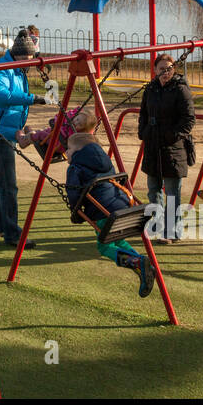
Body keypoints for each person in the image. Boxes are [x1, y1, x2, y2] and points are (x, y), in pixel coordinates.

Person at [64, 108, 154, 296]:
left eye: (69, 149)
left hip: (104, 212)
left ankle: (137, 262)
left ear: (78, 150)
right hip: (123, 206)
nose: (66, 152)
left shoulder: (76, 166)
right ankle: (142, 265)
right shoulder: (105, 160)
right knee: (117, 241)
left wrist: (75, 212)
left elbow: (73, 193)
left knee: (104, 246)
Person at [0, 30, 47, 248]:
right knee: (9, 184)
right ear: (16, 55)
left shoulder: (18, 71)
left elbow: (15, 104)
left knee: (1, 178)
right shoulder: (1, 70)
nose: (29, 63)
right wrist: (33, 98)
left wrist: (20, 128)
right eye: (26, 59)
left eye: (31, 59)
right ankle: (13, 234)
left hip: (5, 129)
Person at [138, 53, 196, 243]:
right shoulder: (151, 89)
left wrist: (171, 136)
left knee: (172, 192)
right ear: (155, 70)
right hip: (153, 145)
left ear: (174, 69)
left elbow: (188, 120)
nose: (165, 72)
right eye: (161, 68)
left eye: (169, 68)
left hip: (173, 147)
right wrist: (144, 132)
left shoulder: (181, 90)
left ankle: (172, 232)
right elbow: (143, 114)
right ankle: (159, 226)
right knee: (153, 189)